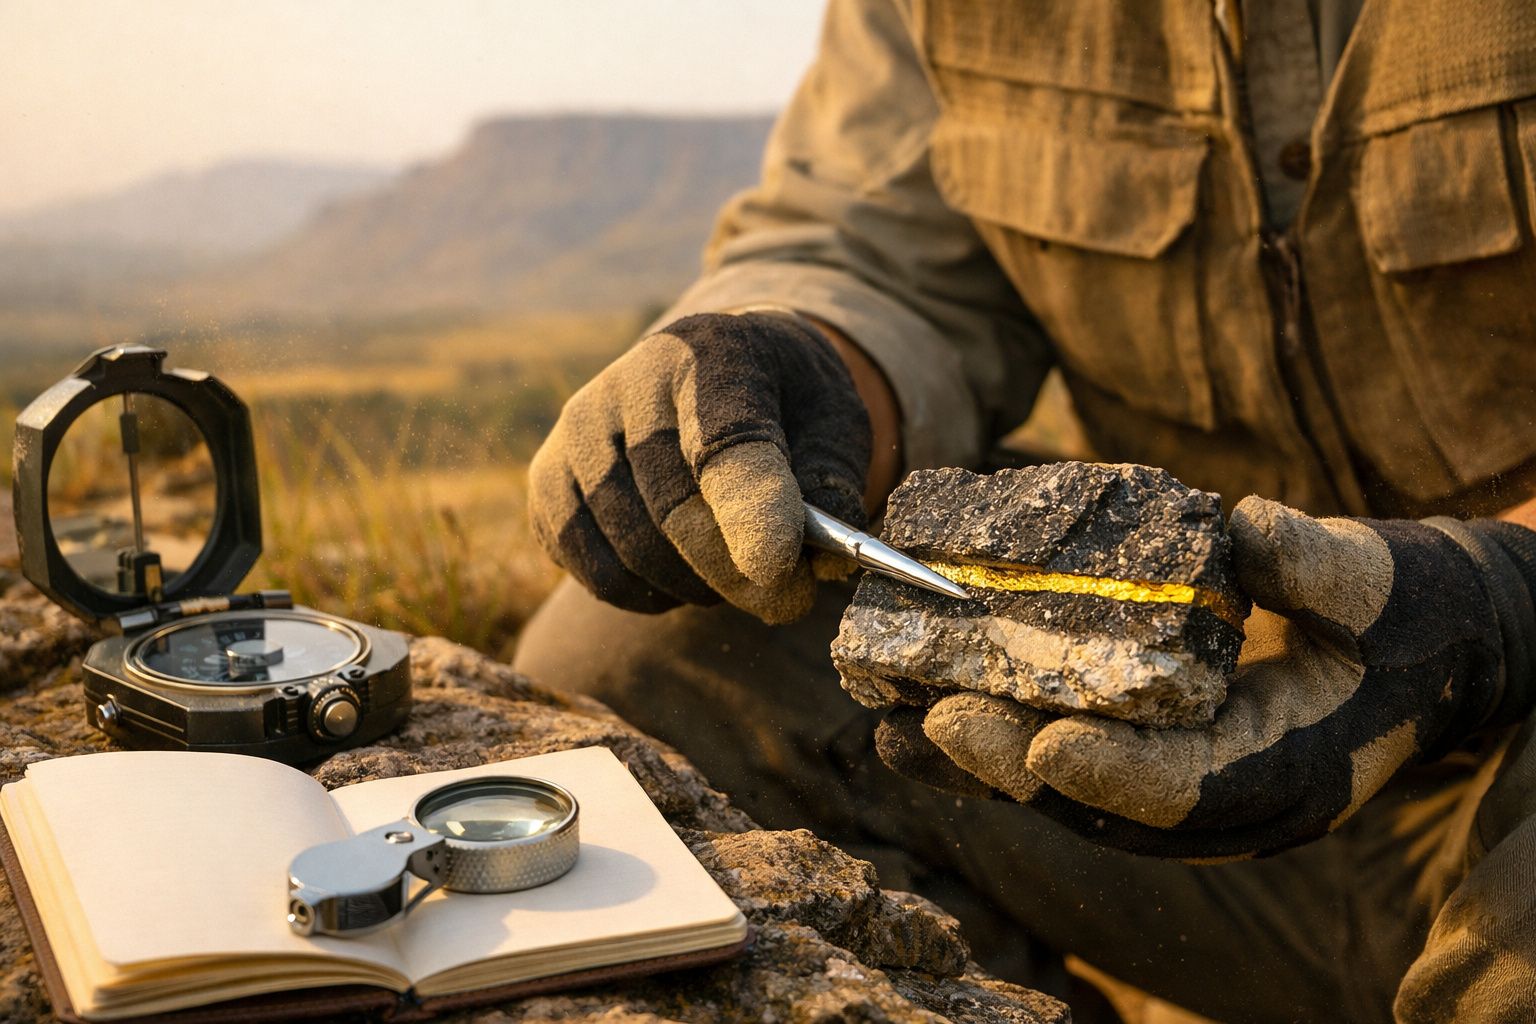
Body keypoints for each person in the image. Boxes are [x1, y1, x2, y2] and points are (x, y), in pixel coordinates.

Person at [514, 2, 1536, 1020]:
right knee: (636, 667)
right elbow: (873, 244)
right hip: (1181, 759)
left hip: (1514, 753)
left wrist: (1502, 597)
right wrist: (805, 363)